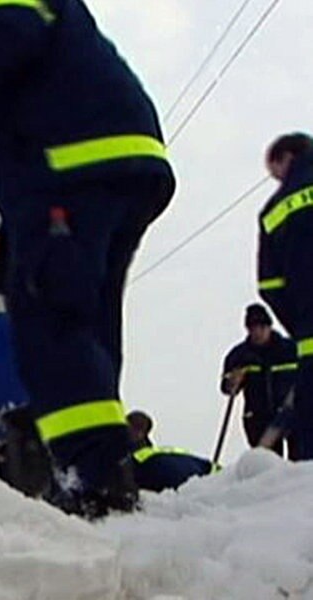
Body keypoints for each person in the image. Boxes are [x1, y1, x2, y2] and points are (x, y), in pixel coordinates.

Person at [0, 0, 175, 518]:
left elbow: (15, 40)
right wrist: (14, 245)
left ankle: (94, 477)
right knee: (84, 316)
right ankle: (102, 461)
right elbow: (9, 136)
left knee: (49, 319)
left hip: (75, 172)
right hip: (98, 175)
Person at [257, 132, 313, 460]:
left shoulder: (274, 210)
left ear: (286, 158)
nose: (276, 179)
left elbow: (270, 284)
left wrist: (301, 321)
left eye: (274, 170)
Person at [220, 303, 297, 457]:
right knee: (268, 467)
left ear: (269, 327)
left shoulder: (291, 350)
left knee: (300, 464)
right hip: (258, 420)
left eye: (261, 327)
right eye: (253, 328)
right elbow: (226, 388)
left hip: (292, 414)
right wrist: (232, 383)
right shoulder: (239, 356)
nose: (258, 333)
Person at [126, 411, 214, 493]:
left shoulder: (144, 457)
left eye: (140, 429)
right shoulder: (134, 456)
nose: (137, 434)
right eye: (134, 427)